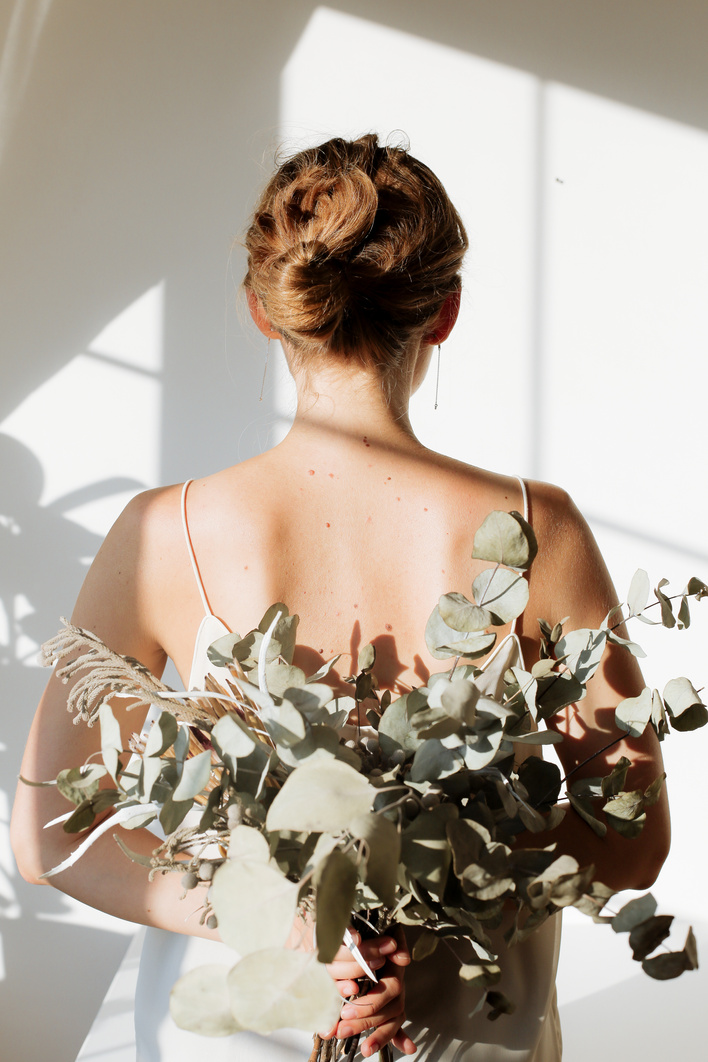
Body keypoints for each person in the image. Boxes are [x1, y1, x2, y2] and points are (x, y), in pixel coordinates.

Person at [12, 134, 669, 1060]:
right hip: (472, 1032)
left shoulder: (165, 532)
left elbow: (46, 840)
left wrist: (287, 925)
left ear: (263, 310)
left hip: (243, 1027)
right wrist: (441, 900)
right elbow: (632, 840)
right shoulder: (537, 529)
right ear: (442, 314)